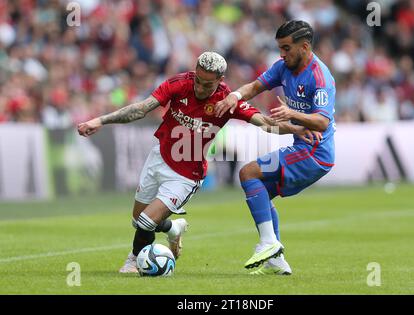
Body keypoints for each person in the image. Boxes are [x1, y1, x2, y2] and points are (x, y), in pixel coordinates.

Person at [78, 51, 319, 273]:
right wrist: (100, 121)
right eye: (198, 81)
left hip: (186, 175)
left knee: (145, 222)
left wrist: (291, 129)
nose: (201, 88)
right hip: (159, 158)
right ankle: (173, 228)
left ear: (220, 79)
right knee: (138, 221)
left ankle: (134, 259)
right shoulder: (179, 84)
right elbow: (141, 109)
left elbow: (264, 123)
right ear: (195, 72)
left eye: (208, 84)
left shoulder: (227, 100)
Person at [215, 20, 336, 275]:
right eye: (280, 48)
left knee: (248, 173)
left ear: (304, 47)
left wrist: (292, 113)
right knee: (258, 193)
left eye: (286, 48)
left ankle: (269, 243)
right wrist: (234, 96)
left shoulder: (320, 77)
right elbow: (254, 87)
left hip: (314, 152)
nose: (282, 54)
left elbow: (323, 121)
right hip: (304, 148)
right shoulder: (283, 68)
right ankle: (276, 258)